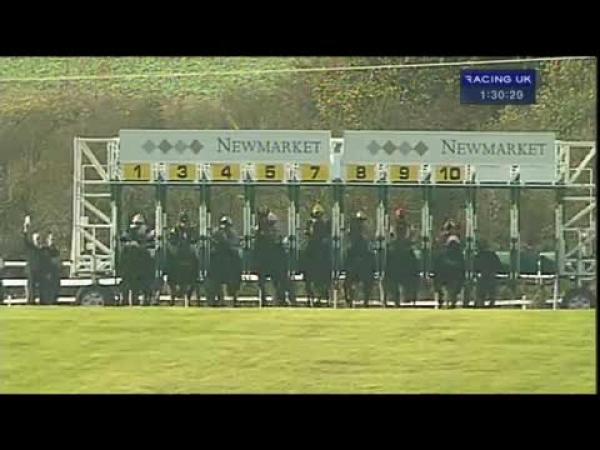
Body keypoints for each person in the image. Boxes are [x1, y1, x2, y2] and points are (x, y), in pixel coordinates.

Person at [474, 240, 502, 308]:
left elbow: (475, 266)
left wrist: (477, 273)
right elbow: (498, 266)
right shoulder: (493, 255)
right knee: (492, 294)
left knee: (481, 294)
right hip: (491, 276)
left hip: (482, 277)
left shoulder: (479, 255)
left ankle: (481, 306)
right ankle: (491, 305)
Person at [23, 215, 44, 305]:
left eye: (38, 238)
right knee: (31, 285)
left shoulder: (41, 249)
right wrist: (25, 227)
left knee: (41, 285)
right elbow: (25, 239)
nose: (38, 240)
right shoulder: (30, 247)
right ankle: (31, 301)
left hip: (39, 270)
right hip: (31, 270)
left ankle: (41, 300)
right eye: (36, 239)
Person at [39, 232, 61, 305]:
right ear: (47, 240)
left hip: (54, 276)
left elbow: (57, 263)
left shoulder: (56, 251)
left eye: (54, 239)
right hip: (45, 276)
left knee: (54, 295)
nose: (53, 241)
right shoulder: (43, 250)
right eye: (51, 239)